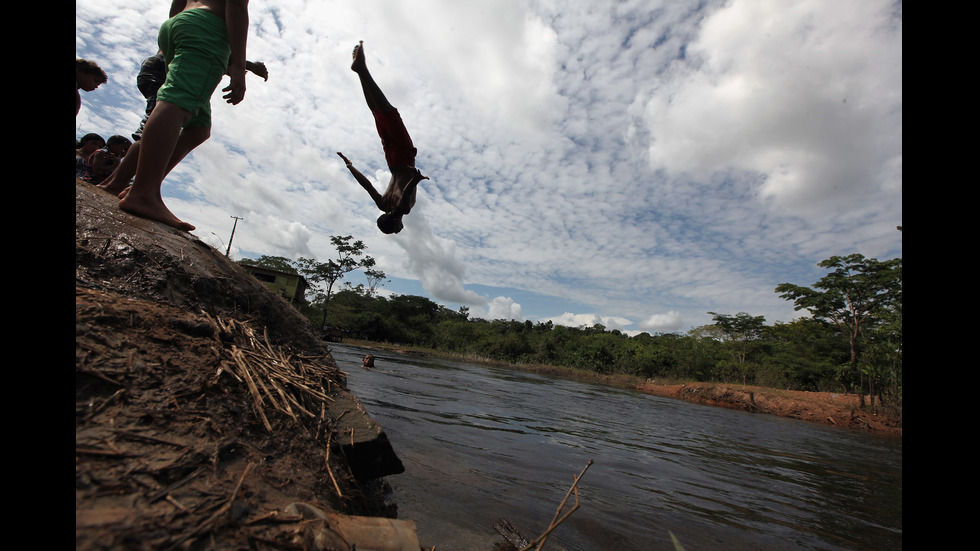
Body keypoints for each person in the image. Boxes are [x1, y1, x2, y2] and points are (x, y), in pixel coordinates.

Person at [118, 0, 249, 232]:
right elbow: (236, 5)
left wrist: (174, 31)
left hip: (178, 23)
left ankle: (124, 184)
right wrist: (238, 64)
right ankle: (143, 192)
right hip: (208, 26)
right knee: (176, 103)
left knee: (198, 127)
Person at [99, 50, 267, 196]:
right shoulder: (216, 45)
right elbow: (218, 52)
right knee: (156, 130)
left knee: (199, 130)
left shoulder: (211, 64)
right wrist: (250, 65)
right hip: (174, 71)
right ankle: (120, 185)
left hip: (171, 70)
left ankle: (141, 186)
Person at [337, 41, 428, 235]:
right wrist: (350, 166)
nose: (399, 231)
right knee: (378, 113)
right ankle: (361, 72)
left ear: (394, 223)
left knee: (390, 113)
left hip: (404, 158)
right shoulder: (382, 204)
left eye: (396, 230)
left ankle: (362, 70)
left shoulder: (403, 209)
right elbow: (367, 185)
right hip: (391, 160)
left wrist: (416, 180)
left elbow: (405, 196)